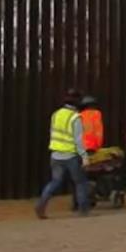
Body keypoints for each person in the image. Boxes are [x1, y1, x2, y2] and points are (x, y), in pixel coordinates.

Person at [35, 89, 92, 219]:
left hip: (55, 154)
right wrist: (84, 157)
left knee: (55, 182)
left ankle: (41, 204)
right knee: (80, 182)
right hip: (71, 156)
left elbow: (52, 132)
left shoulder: (56, 114)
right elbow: (78, 140)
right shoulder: (75, 117)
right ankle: (83, 209)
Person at [69, 95, 105, 212]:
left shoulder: (78, 116)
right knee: (90, 175)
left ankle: (75, 203)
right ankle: (88, 201)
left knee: (77, 176)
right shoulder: (96, 114)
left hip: (77, 148)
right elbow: (99, 132)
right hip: (91, 148)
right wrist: (98, 147)